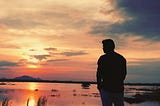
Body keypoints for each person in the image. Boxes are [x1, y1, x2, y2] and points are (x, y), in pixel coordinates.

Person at [97, 39, 127, 106]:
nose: (103, 48)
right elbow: (124, 74)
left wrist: (99, 85)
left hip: (107, 88)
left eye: (104, 46)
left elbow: (99, 74)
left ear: (108, 47)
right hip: (118, 88)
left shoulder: (103, 59)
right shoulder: (121, 58)